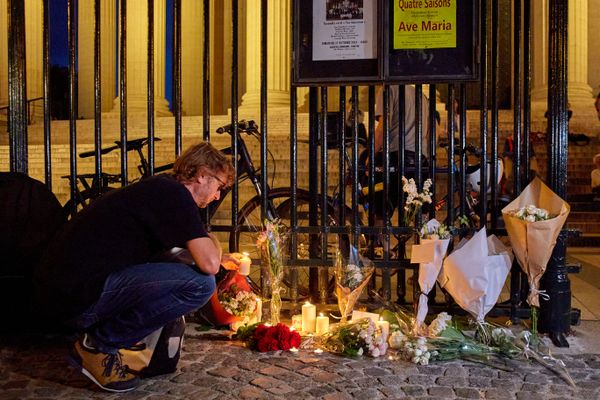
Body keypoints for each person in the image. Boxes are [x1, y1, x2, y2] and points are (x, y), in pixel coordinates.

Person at [33, 141, 241, 392]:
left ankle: (119, 345)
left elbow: (175, 256)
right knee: (200, 285)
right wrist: (214, 242)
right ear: (202, 175)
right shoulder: (175, 195)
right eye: (219, 186)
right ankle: (99, 345)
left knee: (184, 272)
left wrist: (215, 254)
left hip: (65, 293)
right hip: (77, 297)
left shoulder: (163, 189)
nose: (218, 195)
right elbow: (209, 265)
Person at [368, 84, 430, 223]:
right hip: (420, 158)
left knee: (381, 209)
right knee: (418, 213)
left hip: (396, 156)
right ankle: (422, 240)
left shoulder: (387, 89)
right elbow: (432, 131)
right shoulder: (421, 94)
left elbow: (383, 128)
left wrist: (370, 156)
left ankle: (380, 241)